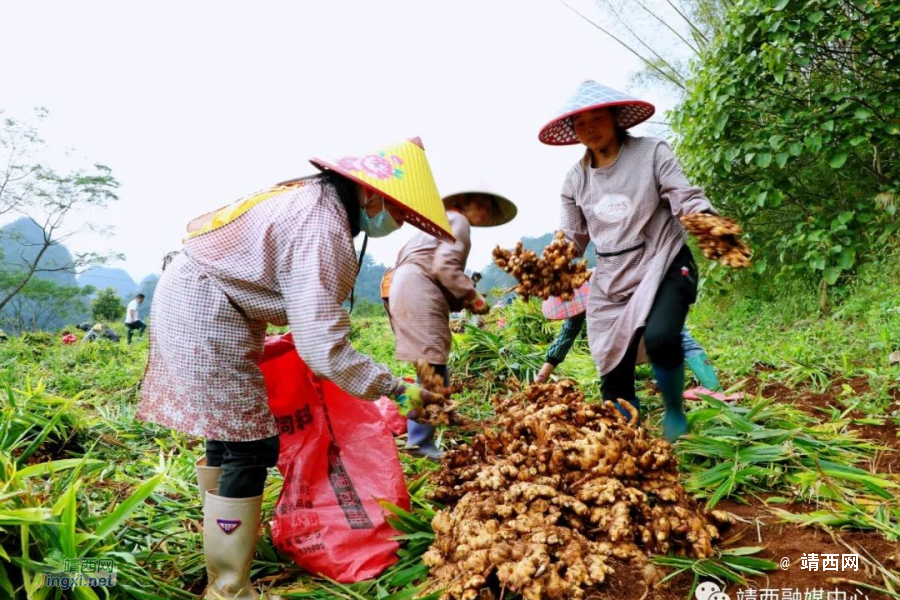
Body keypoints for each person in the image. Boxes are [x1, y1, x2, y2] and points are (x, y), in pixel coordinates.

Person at [135, 137, 451, 600]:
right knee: (250, 444)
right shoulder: (322, 225)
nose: (396, 222)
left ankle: (223, 540)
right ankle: (229, 587)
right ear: (372, 194)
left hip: (197, 299)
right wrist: (398, 392)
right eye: (398, 211)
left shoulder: (312, 201)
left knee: (227, 433)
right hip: (206, 311)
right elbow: (324, 348)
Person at [539, 80, 729, 442]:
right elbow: (571, 236)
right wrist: (551, 265)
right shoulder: (575, 179)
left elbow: (683, 196)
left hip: (665, 262)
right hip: (612, 280)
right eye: (580, 123)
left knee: (660, 337)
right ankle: (627, 436)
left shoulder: (651, 152)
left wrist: (708, 223)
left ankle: (674, 410)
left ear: (616, 118)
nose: (590, 128)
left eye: (598, 117)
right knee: (611, 365)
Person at [385, 187, 517, 459]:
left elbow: (438, 266)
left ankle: (418, 431)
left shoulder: (439, 222)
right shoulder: (458, 220)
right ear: (465, 202)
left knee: (428, 369)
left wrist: (463, 298)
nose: (486, 213)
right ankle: (420, 442)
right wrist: (473, 297)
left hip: (403, 286)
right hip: (418, 288)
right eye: (484, 205)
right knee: (433, 369)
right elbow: (444, 268)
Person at [535, 312, 721, 393]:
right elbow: (567, 335)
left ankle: (714, 389)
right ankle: (712, 388)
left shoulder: (595, 283)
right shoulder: (579, 295)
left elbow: (567, 334)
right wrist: (542, 377)